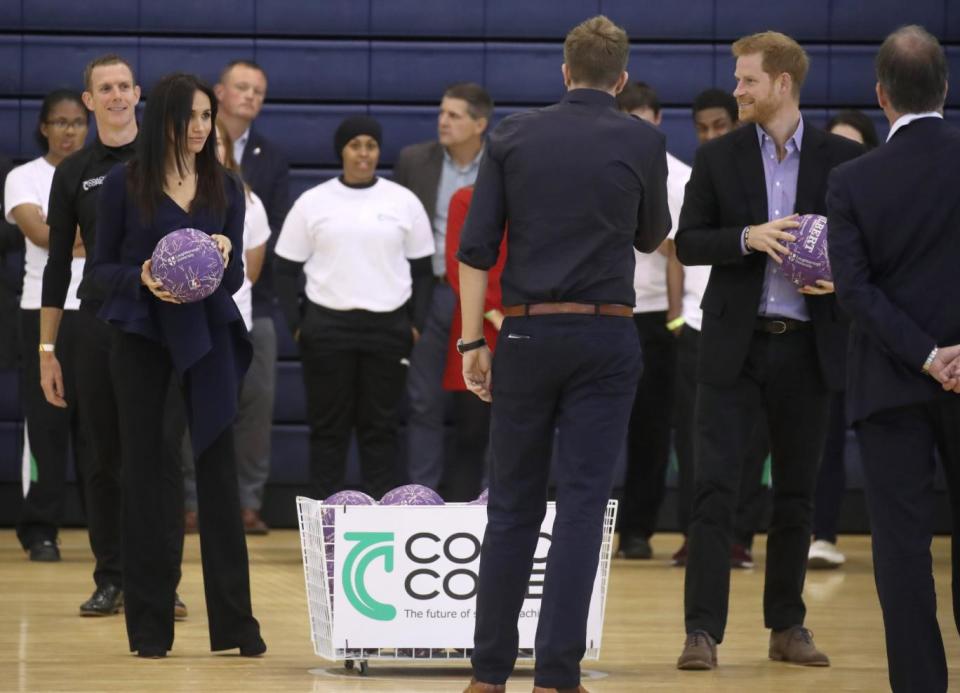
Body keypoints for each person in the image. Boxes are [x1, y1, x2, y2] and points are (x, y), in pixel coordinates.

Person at [458, 16, 670, 692]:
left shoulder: (513, 134)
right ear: (622, 78)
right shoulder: (644, 138)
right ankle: (557, 674)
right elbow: (651, 236)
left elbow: (475, 248)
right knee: (581, 505)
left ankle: (488, 674)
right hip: (607, 334)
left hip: (523, 331)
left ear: (564, 71)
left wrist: (471, 340)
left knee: (512, 506)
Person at [674, 31, 862, 671]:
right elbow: (690, 241)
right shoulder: (719, 156)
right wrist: (748, 237)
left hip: (809, 346)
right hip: (734, 345)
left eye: (747, 79)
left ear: (782, 83)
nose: (737, 90)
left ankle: (787, 626)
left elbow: (868, 247)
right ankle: (702, 630)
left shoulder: (841, 159)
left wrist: (843, 274)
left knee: (796, 495)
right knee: (713, 491)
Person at [90, 72, 265, 659]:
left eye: (206, 117)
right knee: (148, 475)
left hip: (208, 339)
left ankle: (237, 627)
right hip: (142, 339)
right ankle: (149, 628)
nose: (198, 128)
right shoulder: (124, 183)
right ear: (163, 117)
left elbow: (236, 275)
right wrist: (140, 277)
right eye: (188, 116)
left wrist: (221, 255)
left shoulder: (227, 189)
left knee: (217, 477)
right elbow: (99, 274)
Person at [826, 25, 960, 692]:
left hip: (890, 379)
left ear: (881, 96)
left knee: (902, 549)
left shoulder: (852, 179)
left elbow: (854, 291)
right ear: (946, 87)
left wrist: (926, 354)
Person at [39, 54, 190, 619]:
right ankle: (112, 577)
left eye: (125, 85)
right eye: (105, 88)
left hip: (162, 329)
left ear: (138, 93)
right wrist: (47, 351)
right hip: (97, 325)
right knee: (102, 458)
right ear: (89, 100)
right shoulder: (74, 171)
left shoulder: (171, 161)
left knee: (161, 458)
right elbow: (57, 265)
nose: (117, 95)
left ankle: (163, 581)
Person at [274, 116, 434, 502]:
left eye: (371, 145)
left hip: (388, 329)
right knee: (328, 429)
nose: (364, 153)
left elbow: (424, 271)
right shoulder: (313, 202)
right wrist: (300, 326)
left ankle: (382, 519)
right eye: (355, 145)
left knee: (380, 429)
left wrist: (415, 326)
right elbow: (284, 270)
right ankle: (322, 522)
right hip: (327, 329)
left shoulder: (402, 201)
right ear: (341, 151)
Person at [671, 88, 770, 569]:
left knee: (751, 442)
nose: (710, 135)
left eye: (719, 126)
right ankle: (699, 535)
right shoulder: (694, 179)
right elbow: (680, 249)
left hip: (752, 323)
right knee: (695, 444)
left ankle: (741, 536)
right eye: (703, 127)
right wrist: (675, 315)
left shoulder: (760, 181)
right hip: (697, 322)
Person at [393, 83, 492, 492]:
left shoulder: (501, 165)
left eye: (454, 115)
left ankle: (484, 498)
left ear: (480, 124)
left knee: (484, 401)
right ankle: (422, 496)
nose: (443, 121)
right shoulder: (415, 161)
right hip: (431, 291)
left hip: (484, 296)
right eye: (441, 113)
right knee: (423, 400)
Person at [7, 90, 89, 562]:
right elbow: (39, 235)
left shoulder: (104, 175)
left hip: (96, 311)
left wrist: (67, 234)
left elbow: (114, 233)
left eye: (77, 122)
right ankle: (41, 528)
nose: (69, 130)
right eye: (59, 122)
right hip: (41, 311)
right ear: (44, 127)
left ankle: (106, 531)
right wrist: (87, 233)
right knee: (46, 422)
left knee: (99, 428)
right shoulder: (24, 177)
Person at [181, 119, 271, 532]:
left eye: (219, 141)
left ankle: (246, 503)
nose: (212, 146)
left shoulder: (248, 200)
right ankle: (190, 502)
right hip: (189, 324)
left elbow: (246, 272)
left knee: (248, 418)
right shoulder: (175, 194)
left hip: (238, 323)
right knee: (189, 418)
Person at [613, 81, 687, 560]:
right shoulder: (601, 167)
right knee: (595, 424)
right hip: (605, 309)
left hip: (657, 314)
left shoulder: (680, 178)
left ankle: (638, 528)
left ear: (658, 119)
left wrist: (676, 320)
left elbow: (681, 253)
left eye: (643, 119)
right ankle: (590, 524)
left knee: (651, 428)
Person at [215, 59, 289, 534]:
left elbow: (273, 229)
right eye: (242, 87)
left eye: (258, 90)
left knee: (255, 406)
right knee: (188, 408)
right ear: (219, 92)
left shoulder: (270, 157)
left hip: (253, 302)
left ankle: (247, 503)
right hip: (188, 306)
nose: (250, 96)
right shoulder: (185, 148)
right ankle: (189, 501)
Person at [807, 109, 879, 570]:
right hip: (828, 330)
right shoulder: (819, 201)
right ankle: (822, 533)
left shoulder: (886, 198)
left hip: (879, 331)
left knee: (887, 436)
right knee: (825, 439)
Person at [441, 185, 505, 502]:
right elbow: (458, 263)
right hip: (476, 324)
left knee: (524, 438)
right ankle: (459, 524)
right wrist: (493, 314)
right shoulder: (466, 198)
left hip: (529, 322)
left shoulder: (538, 195)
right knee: (470, 432)